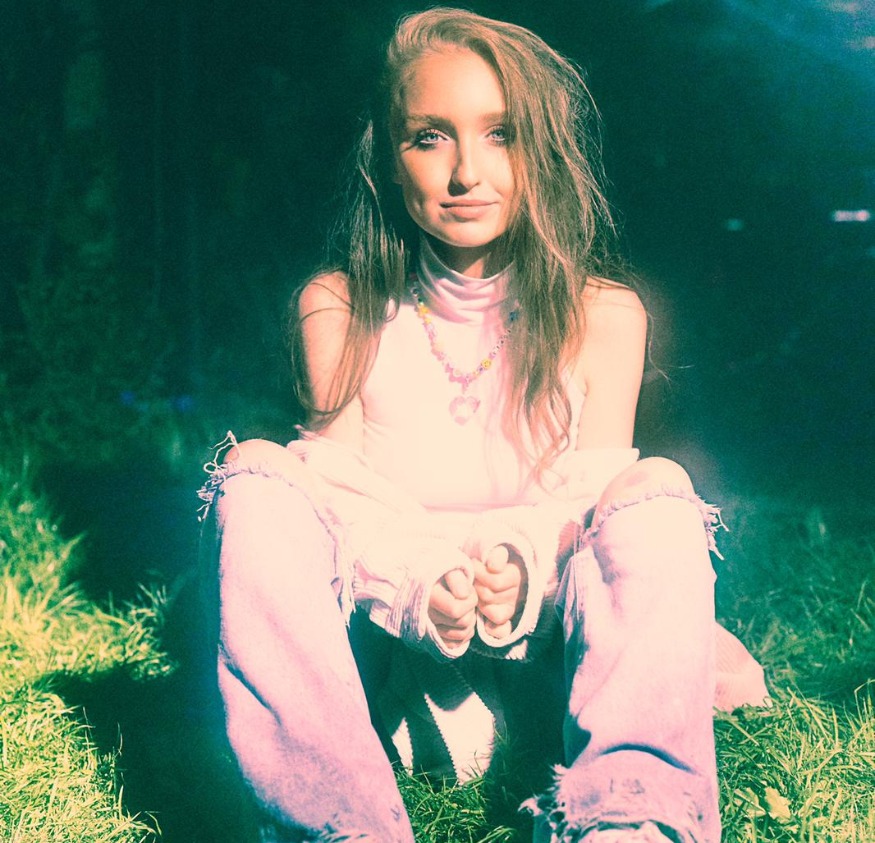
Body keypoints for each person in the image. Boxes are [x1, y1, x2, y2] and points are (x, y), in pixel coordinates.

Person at [198, 8, 767, 842]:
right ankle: (334, 823)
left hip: (553, 667)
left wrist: (519, 564)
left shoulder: (602, 315)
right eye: (429, 137)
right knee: (257, 471)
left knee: (655, 488)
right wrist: (418, 580)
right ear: (388, 161)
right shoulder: (340, 307)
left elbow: (592, 511)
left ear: (541, 151)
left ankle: (628, 817)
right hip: (385, 674)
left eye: (500, 134)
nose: (467, 171)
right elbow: (334, 509)